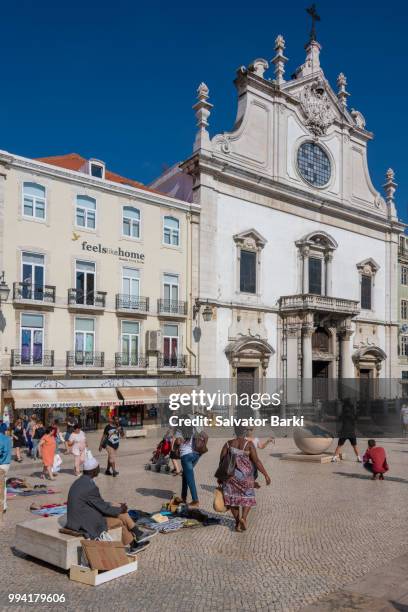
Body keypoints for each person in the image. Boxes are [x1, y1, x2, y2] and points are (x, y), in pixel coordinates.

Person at [65, 455, 153, 551]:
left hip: (77, 519)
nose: (99, 469)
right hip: (84, 523)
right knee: (119, 520)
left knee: (120, 511)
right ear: (94, 470)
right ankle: (135, 540)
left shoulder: (80, 481)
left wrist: (114, 505)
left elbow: (96, 502)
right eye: (98, 467)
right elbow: (103, 508)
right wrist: (120, 509)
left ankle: (137, 537)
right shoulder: (90, 487)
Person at [219, 425, 271, 532]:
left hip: (230, 477)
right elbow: (256, 461)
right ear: (245, 432)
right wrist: (266, 474)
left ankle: (237, 522)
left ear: (235, 431)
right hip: (246, 476)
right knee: (248, 497)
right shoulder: (249, 444)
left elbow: (222, 461)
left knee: (233, 500)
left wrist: (220, 477)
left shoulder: (228, 444)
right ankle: (244, 518)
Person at [177, 425, 201, 507]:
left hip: (186, 457)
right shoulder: (193, 428)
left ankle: (195, 500)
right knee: (185, 475)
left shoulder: (179, 430)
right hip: (195, 455)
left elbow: (178, 442)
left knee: (190, 478)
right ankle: (183, 497)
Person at [0, 423, 12, 514]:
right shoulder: (8, 438)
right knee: (3, 485)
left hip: (1, 464)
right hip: (7, 464)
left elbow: (1, 451)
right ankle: (4, 506)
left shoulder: (1, 438)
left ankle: (3, 506)